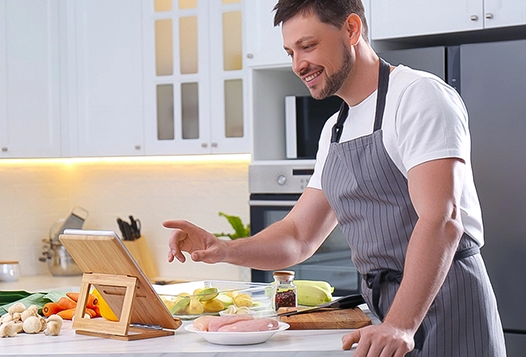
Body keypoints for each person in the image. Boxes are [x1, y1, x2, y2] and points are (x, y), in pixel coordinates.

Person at [163, 1, 506, 356]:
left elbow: (441, 220)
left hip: (446, 305)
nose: (298, 65)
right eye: (290, 52)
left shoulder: (418, 97)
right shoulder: (335, 130)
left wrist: (400, 323)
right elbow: (298, 236)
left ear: (352, 30)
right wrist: (225, 250)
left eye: (308, 46)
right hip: (384, 316)